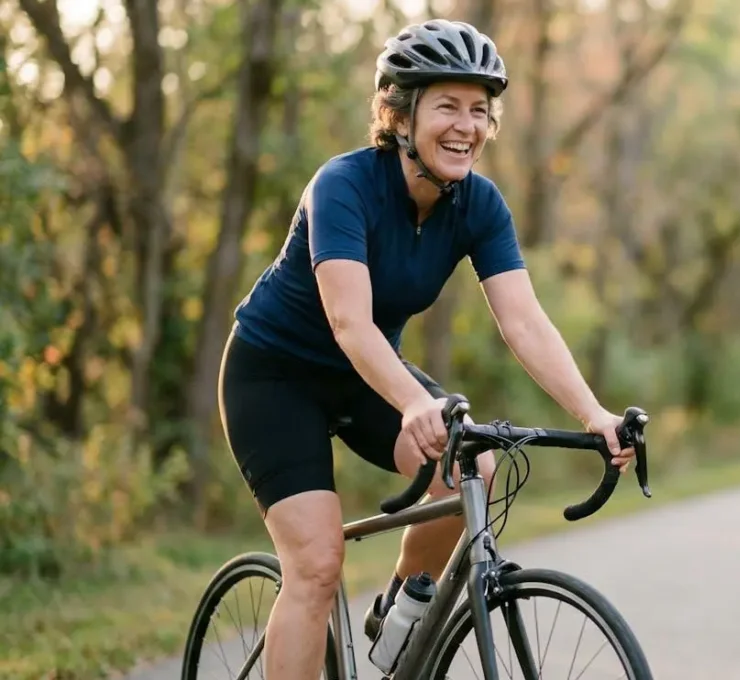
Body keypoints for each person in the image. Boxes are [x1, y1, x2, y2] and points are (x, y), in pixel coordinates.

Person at [216, 19, 635, 679]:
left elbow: (524, 321)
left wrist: (593, 415)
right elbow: (349, 322)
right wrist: (416, 401)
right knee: (317, 565)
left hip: (365, 377)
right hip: (275, 376)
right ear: (399, 116)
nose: (466, 124)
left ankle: (402, 613)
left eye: (479, 110)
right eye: (447, 105)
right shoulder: (343, 186)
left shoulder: (479, 205)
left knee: (478, 462)